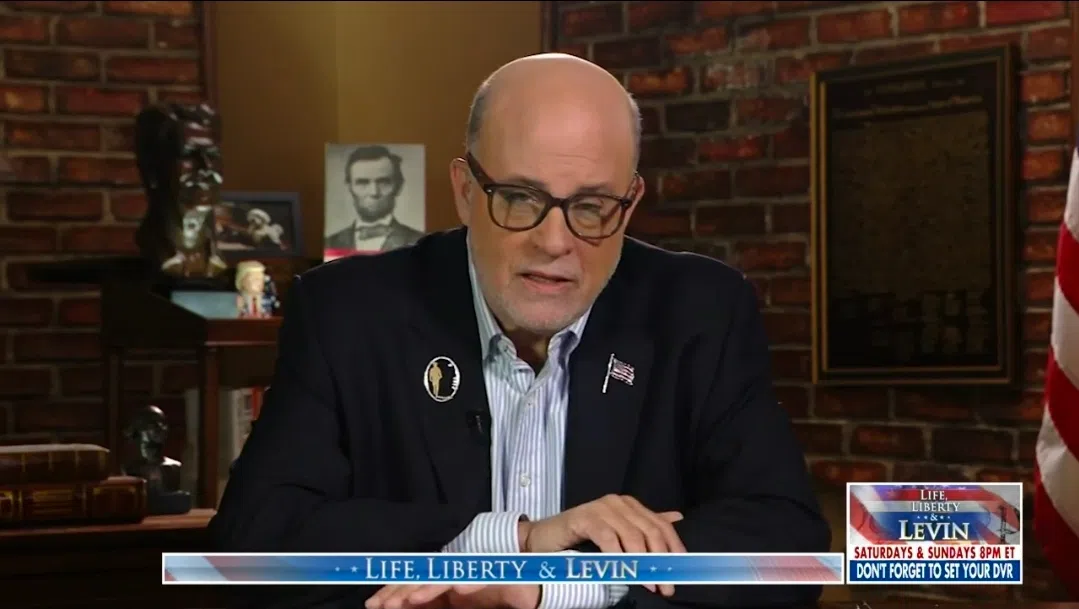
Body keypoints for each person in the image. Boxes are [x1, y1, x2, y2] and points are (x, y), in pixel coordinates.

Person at [211, 53, 829, 609]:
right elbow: (248, 550)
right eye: (519, 198)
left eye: (592, 207)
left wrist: (557, 584)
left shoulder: (699, 313)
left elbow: (786, 546)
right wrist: (516, 541)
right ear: (464, 191)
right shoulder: (348, 313)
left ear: (630, 205)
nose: (554, 242)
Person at [324, 145, 425, 253]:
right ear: (350, 187)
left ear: (398, 186)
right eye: (363, 182)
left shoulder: (420, 243)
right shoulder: (329, 243)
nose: (374, 192)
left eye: (383, 182)